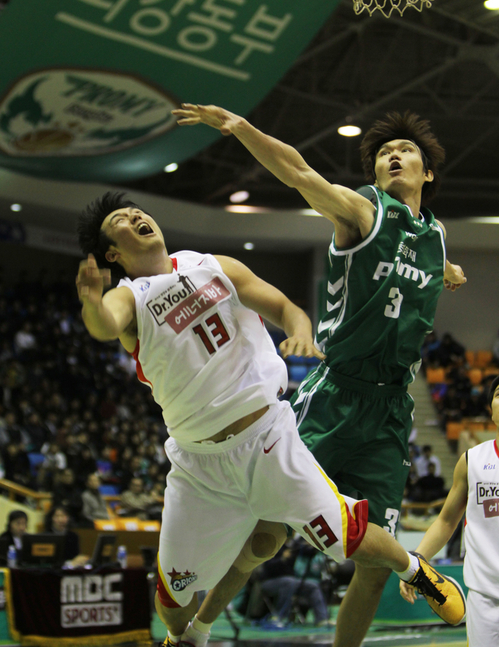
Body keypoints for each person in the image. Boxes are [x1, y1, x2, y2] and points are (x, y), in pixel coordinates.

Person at [76, 192, 465, 647]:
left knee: (346, 536)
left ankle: (418, 571)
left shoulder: (211, 264)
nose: (137, 215)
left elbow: (284, 307)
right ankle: (184, 638)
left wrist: (299, 331)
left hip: (268, 437)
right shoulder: (129, 297)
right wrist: (90, 301)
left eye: (136, 209)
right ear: (113, 254)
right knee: (171, 594)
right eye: (122, 219)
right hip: (200, 465)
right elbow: (105, 323)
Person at [173, 104, 467, 647]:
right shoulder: (361, 211)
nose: (393, 156)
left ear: (428, 174)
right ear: (374, 173)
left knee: (375, 565)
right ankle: (198, 632)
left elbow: (429, 257)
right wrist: (242, 129)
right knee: (267, 537)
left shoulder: (436, 234)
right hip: (335, 395)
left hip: (391, 408)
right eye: (383, 154)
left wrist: (446, 270)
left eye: (405, 152)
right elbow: (299, 170)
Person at [400, 375, 499, 646]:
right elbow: (445, 521)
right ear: (491, 409)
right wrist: (416, 564)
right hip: (485, 596)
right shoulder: (472, 461)